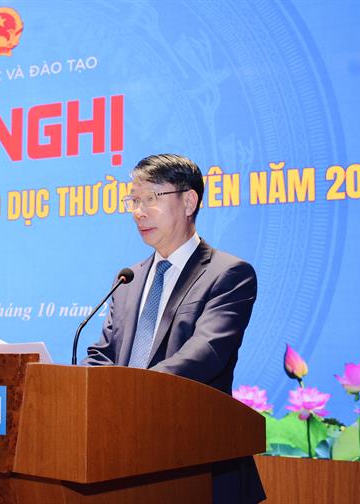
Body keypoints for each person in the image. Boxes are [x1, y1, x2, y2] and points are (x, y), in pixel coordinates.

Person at [84, 154, 266, 504]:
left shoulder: (228, 274)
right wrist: (83, 391)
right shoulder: (128, 279)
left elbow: (204, 354)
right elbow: (104, 354)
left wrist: (129, 393)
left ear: (189, 201)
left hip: (200, 466)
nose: (138, 212)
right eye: (134, 200)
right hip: (123, 464)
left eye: (151, 198)